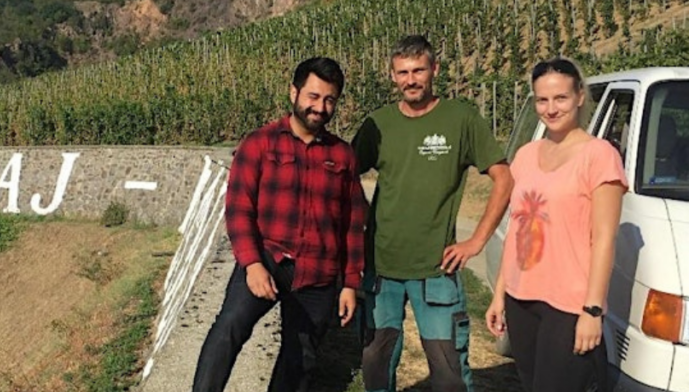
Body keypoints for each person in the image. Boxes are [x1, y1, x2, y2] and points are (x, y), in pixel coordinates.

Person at [192, 56, 368, 392]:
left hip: (319, 271)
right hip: (269, 259)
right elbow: (238, 208)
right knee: (228, 329)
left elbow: (352, 223)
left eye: (330, 99)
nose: (320, 107)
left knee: (299, 359)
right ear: (294, 93)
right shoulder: (259, 143)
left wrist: (349, 283)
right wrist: (252, 264)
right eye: (313, 97)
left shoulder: (343, 155)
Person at [351, 34, 513, 392]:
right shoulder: (378, 124)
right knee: (376, 368)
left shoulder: (461, 119)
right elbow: (345, 178)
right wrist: (358, 224)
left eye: (418, 70)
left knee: (450, 374)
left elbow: (504, 178)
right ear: (393, 76)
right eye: (403, 72)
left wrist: (476, 241)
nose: (411, 79)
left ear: (434, 69)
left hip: (437, 269)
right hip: (380, 270)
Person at [485, 58, 626, 392]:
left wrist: (592, 310)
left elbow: (605, 239)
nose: (550, 108)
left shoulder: (600, 156)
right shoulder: (526, 155)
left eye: (560, 98)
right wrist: (500, 295)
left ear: (579, 96)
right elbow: (517, 230)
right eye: (542, 100)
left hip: (569, 305)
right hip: (521, 299)